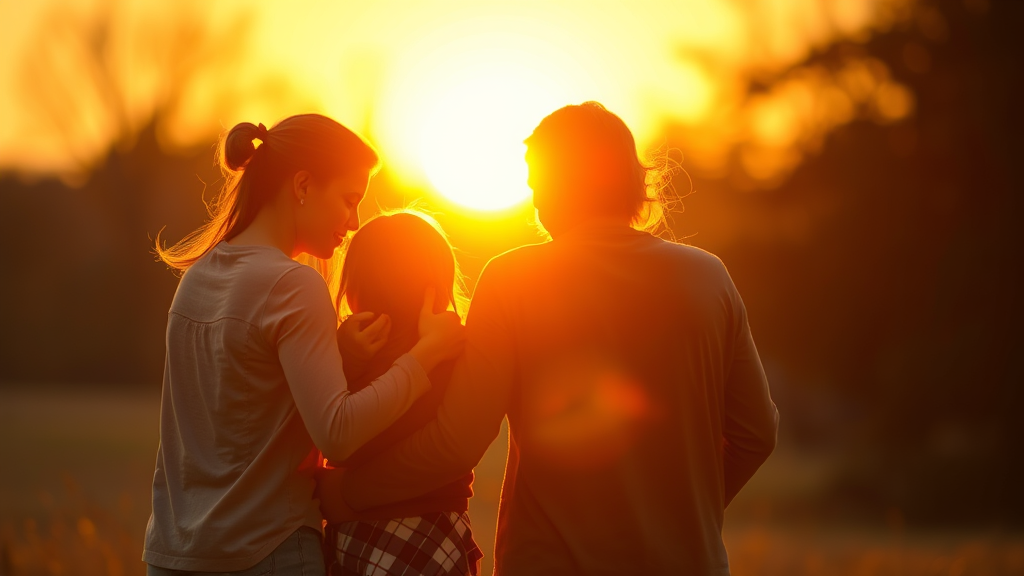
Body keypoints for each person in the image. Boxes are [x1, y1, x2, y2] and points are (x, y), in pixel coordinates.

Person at [323, 102, 779, 575]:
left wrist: (348, 492)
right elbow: (756, 434)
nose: (535, 201)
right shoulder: (709, 277)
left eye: (538, 184)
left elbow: (456, 443)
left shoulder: (514, 279)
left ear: (566, 184)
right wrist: (686, 517)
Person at [144, 114, 465, 575]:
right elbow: (338, 432)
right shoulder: (294, 285)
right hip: (266, 551)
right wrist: (426, 355)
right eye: (349, 200)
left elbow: (237, 413)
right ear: (303, 185)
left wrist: (342, 358)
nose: (354, 223)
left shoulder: (197, 277)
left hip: (172, 554)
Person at [322, 210, 483, 576]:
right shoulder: (453, 353)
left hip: (363, 531)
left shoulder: (443, 356)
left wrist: (343, 360)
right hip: (433, 534)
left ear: (353, 288)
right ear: (438, 285)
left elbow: (340, 435)